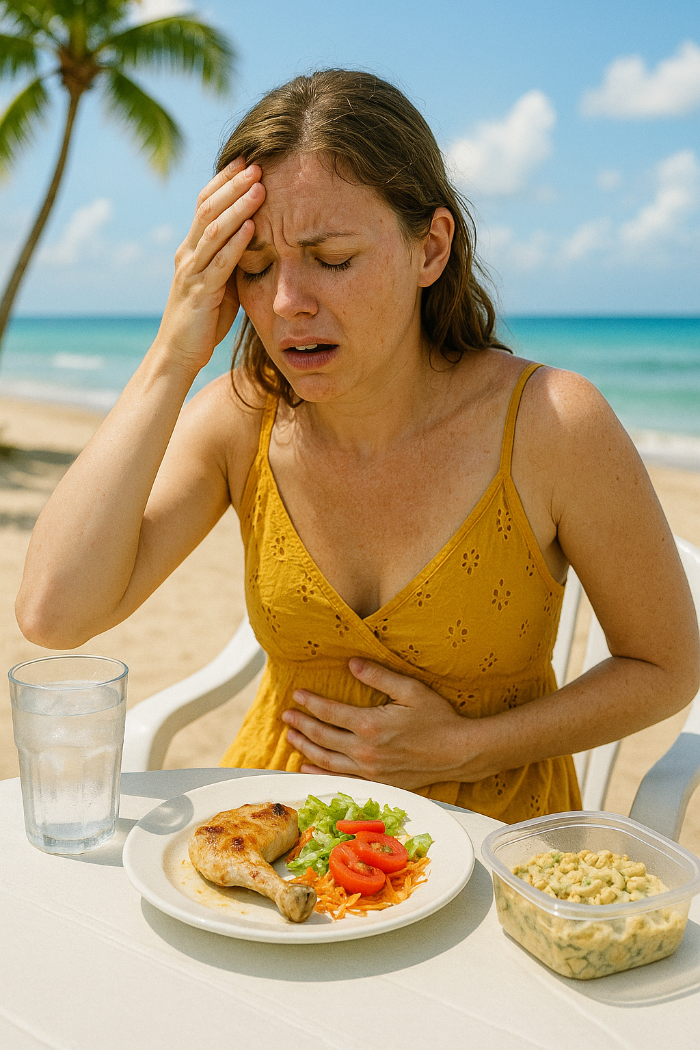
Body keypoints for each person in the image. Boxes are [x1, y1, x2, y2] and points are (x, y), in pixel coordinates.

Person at [17, 70, 699, 823]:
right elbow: (54, 612)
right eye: (255, 268)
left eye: (333, 258)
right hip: (272, 834)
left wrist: (468, 747)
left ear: (431, 249)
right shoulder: (240, 420)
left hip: (496, 849)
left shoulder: (553, 424)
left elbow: (665, 666)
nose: (285, 304)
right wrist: (171, 357)